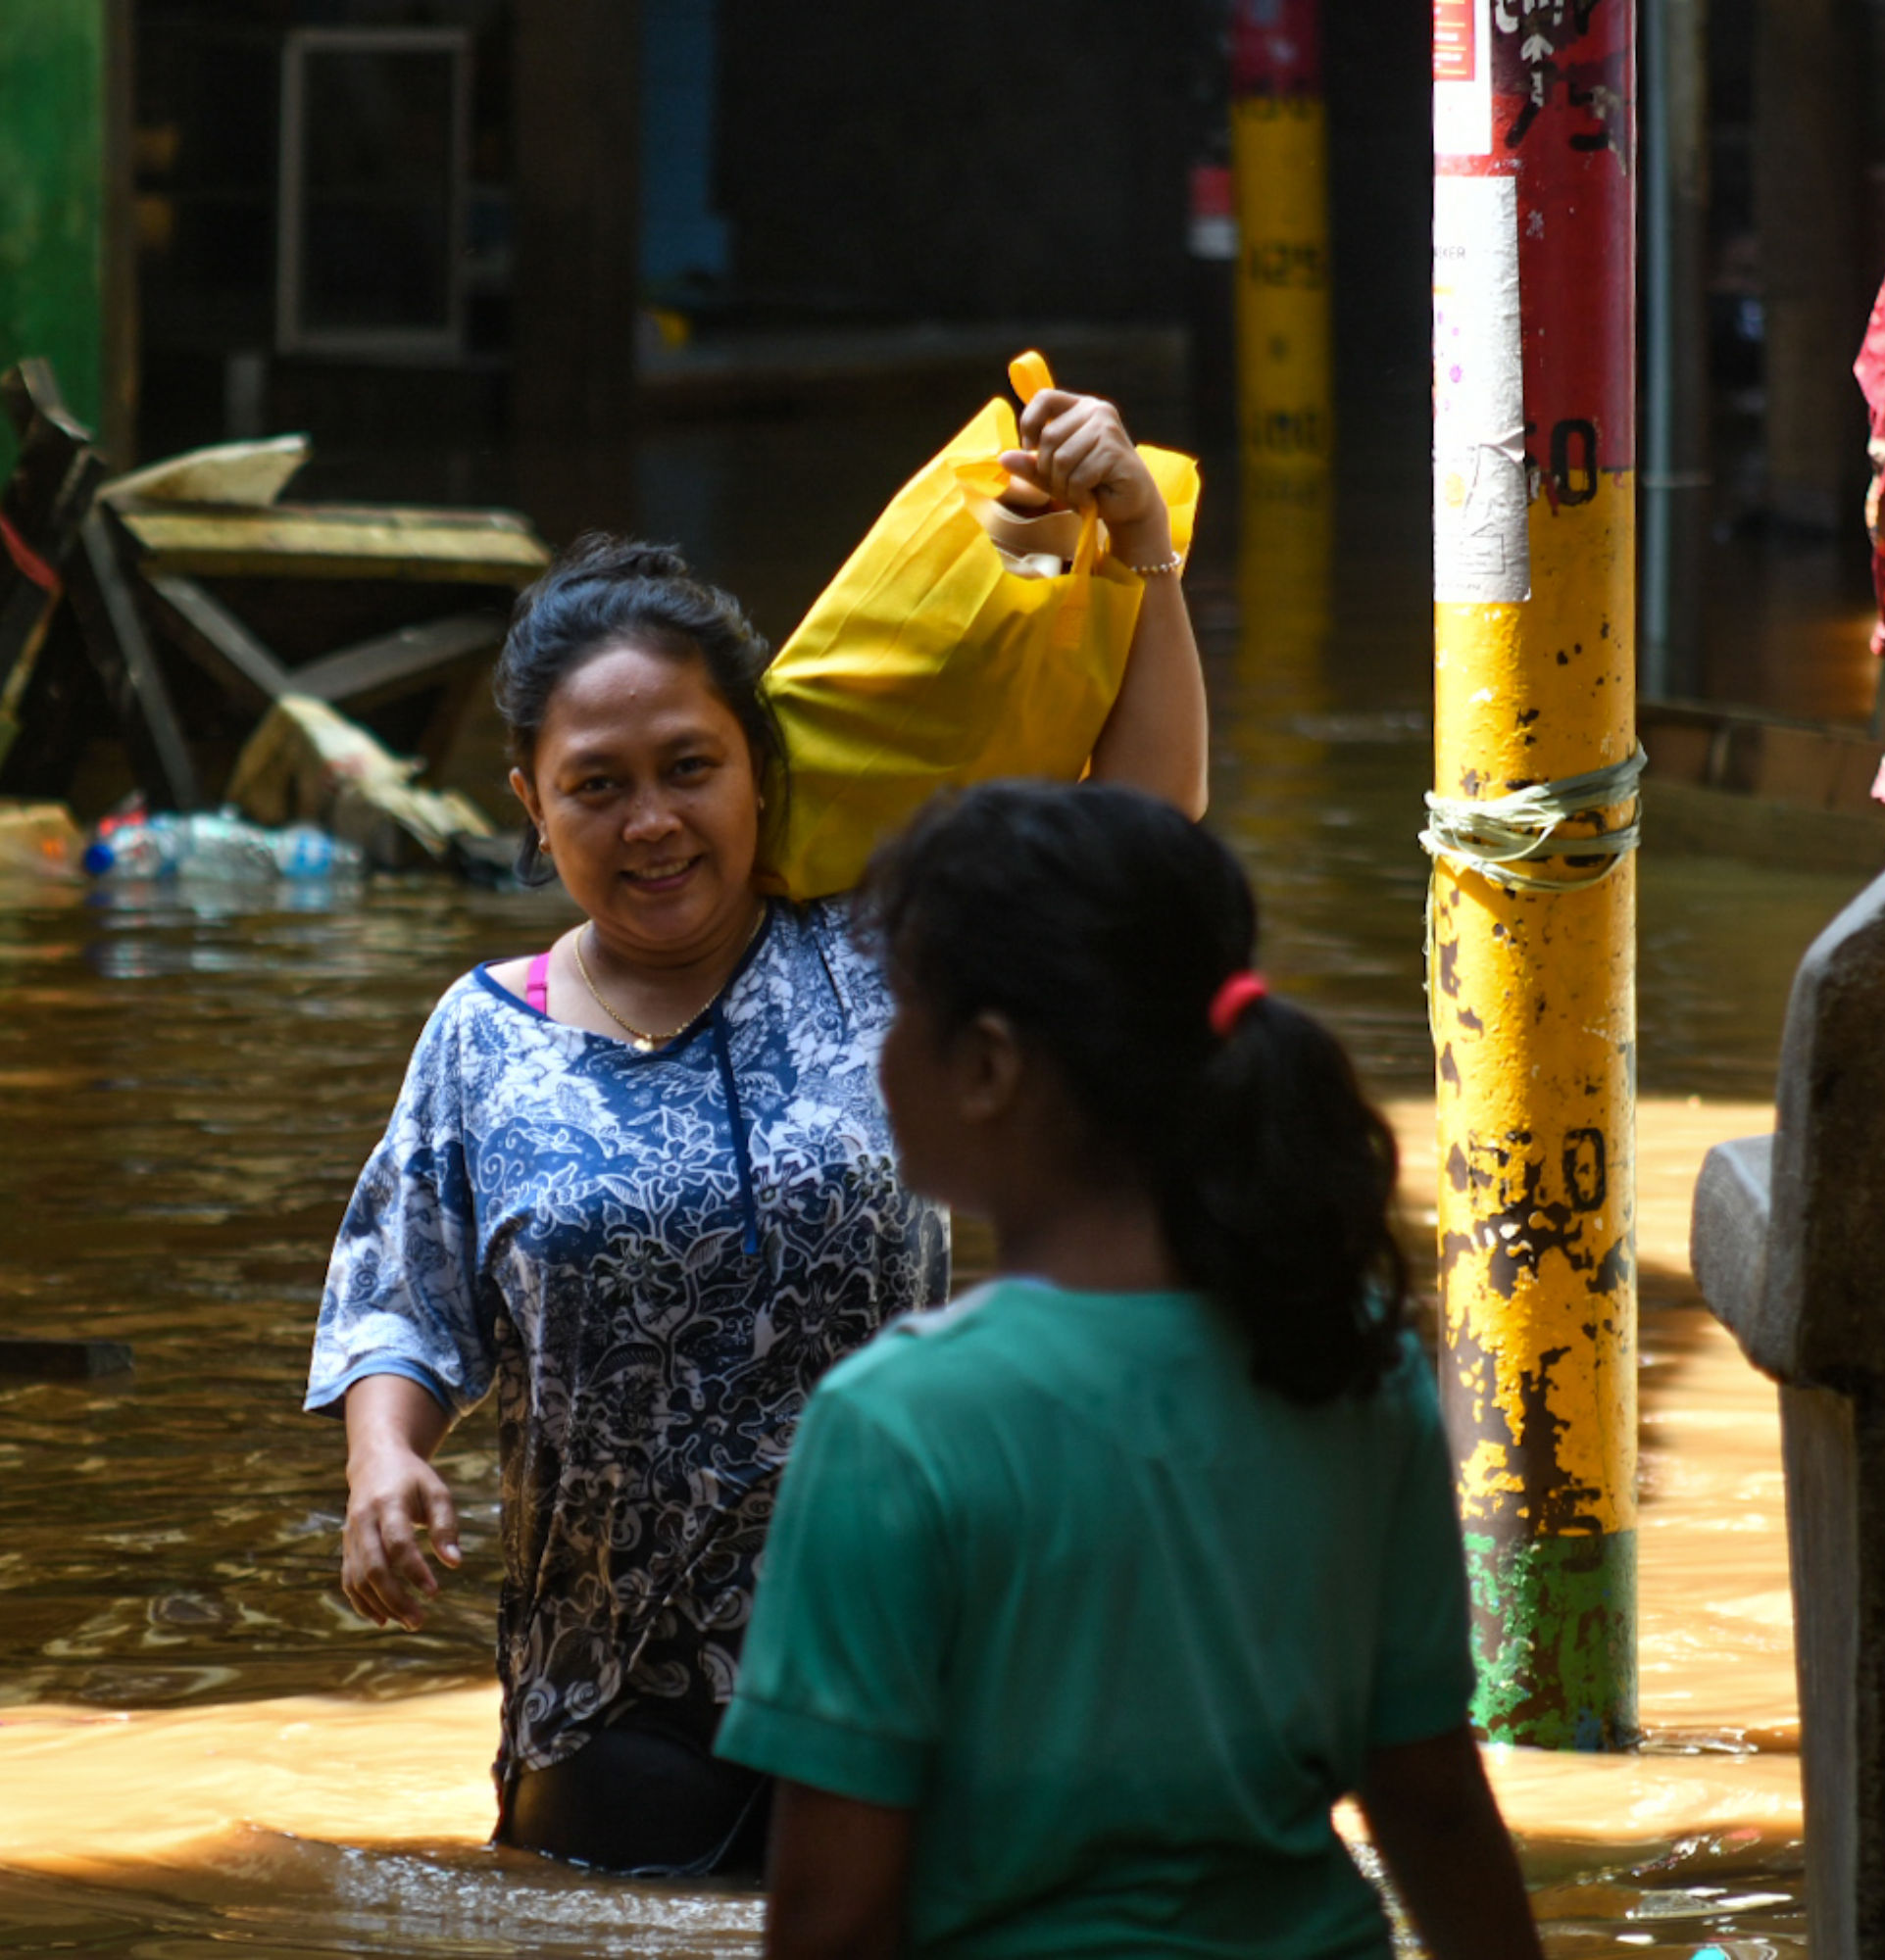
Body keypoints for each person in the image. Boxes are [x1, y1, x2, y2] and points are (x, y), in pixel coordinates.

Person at [304, 391, 1210, 1876]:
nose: (650, 822)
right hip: (611, 1713)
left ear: (759, 770)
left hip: (905, 1686)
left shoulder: (879, 963)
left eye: (688, 768)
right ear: (533, 806)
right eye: (598, 787)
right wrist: (381, 1466)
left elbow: (1148, 837)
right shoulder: (486, 1036)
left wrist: (1145, 552)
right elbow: (403, 1301)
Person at [717, 782, 1543, 1960]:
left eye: (900, 1010)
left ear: (990, 1064)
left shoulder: (895, 1423)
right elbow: (1432, 1798)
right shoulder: (1350, 1351)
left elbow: (831, 1914)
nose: (880, 1053)